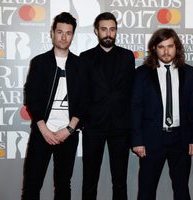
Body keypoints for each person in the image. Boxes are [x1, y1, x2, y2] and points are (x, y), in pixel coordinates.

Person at [21, 12, 83, 200]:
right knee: (32, 185)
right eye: (60, 32)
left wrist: (70, 129)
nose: (64, 37)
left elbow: (85, 100)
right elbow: (31, 96)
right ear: (52, 33)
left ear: (73, 35)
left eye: (68, 33)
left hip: (68, 134)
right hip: (42, 132)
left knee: (64, 186)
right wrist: (43, 128)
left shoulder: (80, 65)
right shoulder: (39, 62)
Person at [130, 28, 193, 200]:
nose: (166, 51)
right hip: (152, 139)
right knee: (146, 191)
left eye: (170, 46)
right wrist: (137, 141)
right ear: (154, 49)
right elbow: (135, 107)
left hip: (180, 139)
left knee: (182, 190)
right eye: (161, 47)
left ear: (177, 47)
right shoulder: (142, 74)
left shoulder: (189, 73)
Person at [80, 12, 136, 200]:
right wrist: (85, 121)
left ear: (116, 31)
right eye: (104, 29)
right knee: (89, 181)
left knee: (120, 182)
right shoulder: (85, 58)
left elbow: (131, 93)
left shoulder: (128, 57)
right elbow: (81, 93)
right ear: (96, 31)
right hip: (93, 128)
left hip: (120, 129)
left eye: (112, 29)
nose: (108, 33)